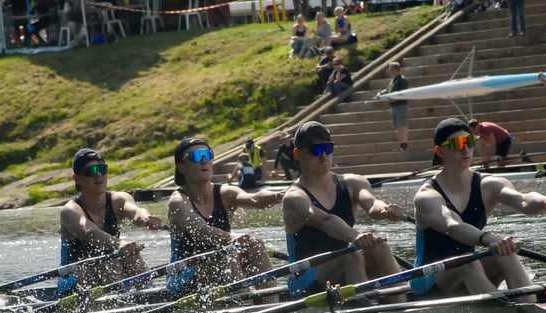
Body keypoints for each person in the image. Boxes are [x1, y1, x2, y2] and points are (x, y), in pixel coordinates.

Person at [411, 117, 546, 302]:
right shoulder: (427, 196)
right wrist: (488, 239)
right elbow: (453, 226)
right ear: (439, 151)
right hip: (430, 281)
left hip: (470, 270)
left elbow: (523, 200)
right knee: (470, 262)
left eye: (469, 141)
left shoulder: (489, 184)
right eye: (456, 143)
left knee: (505, 252)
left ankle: (528, 309)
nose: (465, 149)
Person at [282, 121, 405, 299]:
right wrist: (355, 236)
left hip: (343, 265)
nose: (323, 156)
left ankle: (399, 305)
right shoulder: (294, 197)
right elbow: (326, 221)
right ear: (297, 154)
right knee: (351, 256)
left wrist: (385, 209)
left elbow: (372, 204)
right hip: (304, 278)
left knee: (380, 246)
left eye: (328, 148)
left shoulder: (353, 183)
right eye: (315, 150)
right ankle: (366, 312)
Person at [167, 137, 283, 300]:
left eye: (207, 155)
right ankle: (242, 309)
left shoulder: (225, 193)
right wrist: (232, 238)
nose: (204, 161)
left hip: (222, 266)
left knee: (255, 245)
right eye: (196, 156)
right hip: (184, 276)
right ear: (181, 167)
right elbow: (200, 230)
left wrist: (278, 196)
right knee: (226, 254)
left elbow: (254, 199)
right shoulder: (178, 201)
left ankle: (270, 303)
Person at [58, 148, 163, 295]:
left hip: (109, 273)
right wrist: (119, 244)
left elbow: (135, 211)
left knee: (131, 255)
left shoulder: (119, 199)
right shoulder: (69, 210)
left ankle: (149, 294)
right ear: (77, 179)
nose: (99, 174)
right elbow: (88, 231)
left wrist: (146, 218)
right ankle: (119, 303)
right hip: (74, 280)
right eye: (91, 171)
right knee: (111, 262)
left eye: (102, 169)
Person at [376, 61, 409, 152]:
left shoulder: (402, 80)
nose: (390, 72)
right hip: (393, 105)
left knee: (402, 125)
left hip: (401, 105)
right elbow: (388, 89)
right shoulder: (393, 80)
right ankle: (401, 143)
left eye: (391, 70)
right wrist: (381, 93)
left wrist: (393, 99)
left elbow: (403, 93)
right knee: (397, 125)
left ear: (396, 70)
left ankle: (404, 143)